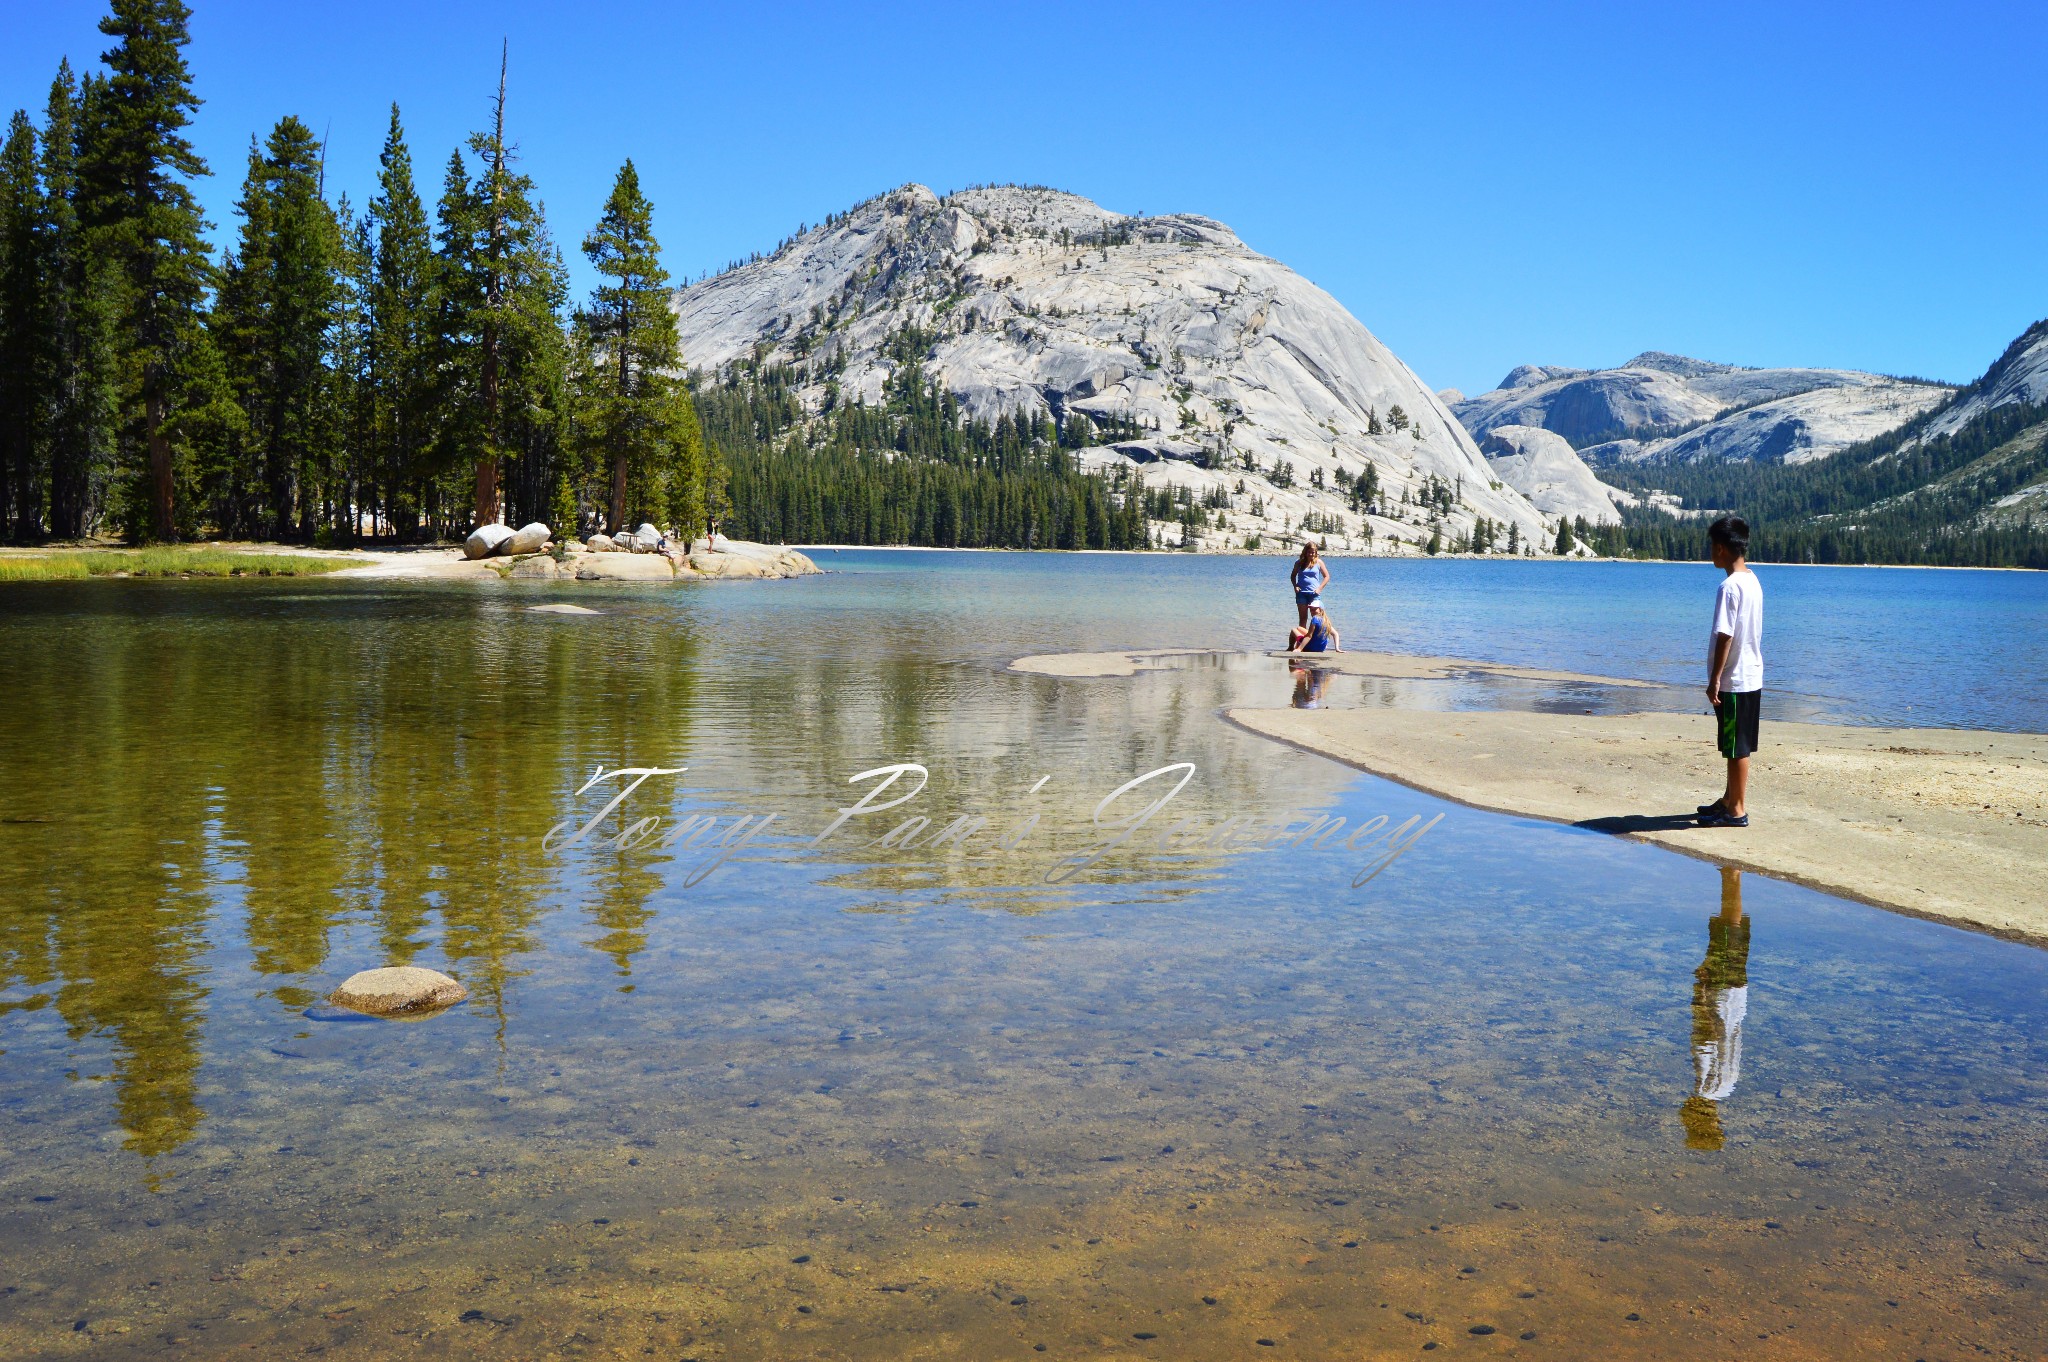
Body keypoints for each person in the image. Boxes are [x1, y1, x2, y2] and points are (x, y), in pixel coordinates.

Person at [1679, 866, 1751, 1150]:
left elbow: (1716, 1037)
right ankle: (1732, 877)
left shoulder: (1727, 1087)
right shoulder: (1706, 1086)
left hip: (1736, 999)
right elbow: (1707, 1037)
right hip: (1722, 998)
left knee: (1729, 937)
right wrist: (1704, 991)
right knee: (1726, 935)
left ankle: (1731, 878)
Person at [1698, 515, 1763, 828]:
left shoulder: (1729, 587)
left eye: (1712, 545)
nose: (1711, 551)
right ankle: (1727, 800)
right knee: (1734, 743)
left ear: (1721, 549)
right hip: (1750, 675)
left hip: (1734, 680)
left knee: (1737, 748)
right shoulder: (1752, 579)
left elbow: (1726, 635)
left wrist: (1715, 680)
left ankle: (1736, 810)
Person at [1290, 542, 1330, 627]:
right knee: (1303, 619)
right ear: (1305, 552)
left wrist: (1319, 589)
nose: (1311, 554)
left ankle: (1316, 638)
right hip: (1301, 594)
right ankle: (1302, 639)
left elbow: (1326, 576)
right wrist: (1295, 586)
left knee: (1317, 618)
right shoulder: (1299, 562)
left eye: (1313, 552)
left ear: (1316, 553)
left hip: (1314, 594)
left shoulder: (1319, 562)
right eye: (1309, 552)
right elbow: (1293, 576)